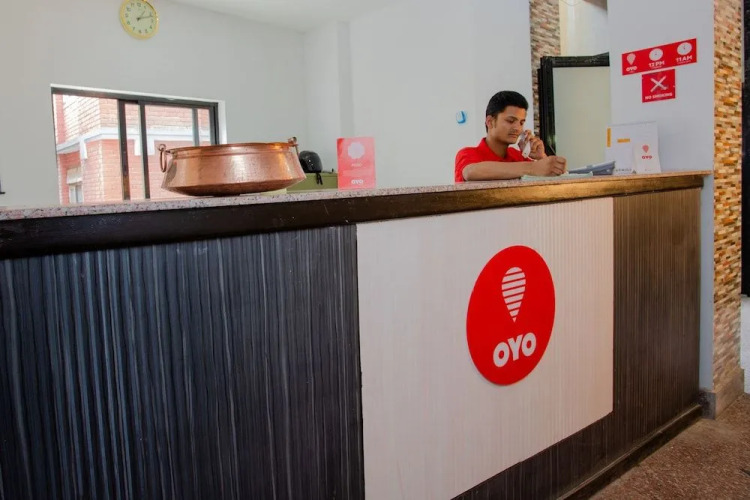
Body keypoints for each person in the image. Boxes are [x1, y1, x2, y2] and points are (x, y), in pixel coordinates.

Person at [455, 91, 567, 182]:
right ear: (490, 122)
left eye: (521, 123)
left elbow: (551, 185)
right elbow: (470, 172)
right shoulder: (467, 154)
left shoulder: (517, 156)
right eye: (510, 121)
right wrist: (533, 168)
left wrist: (541, 157)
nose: (517, 128)